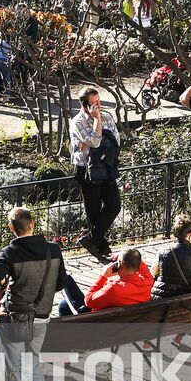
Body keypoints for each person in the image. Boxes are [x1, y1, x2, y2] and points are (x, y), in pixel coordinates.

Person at [0, 208, 66, 381]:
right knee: (33, 367)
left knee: (15, 372)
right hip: (41, 319)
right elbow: (60, 284)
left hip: (15, 321)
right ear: (32, 224)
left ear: (11, 228)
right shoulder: (53, 250)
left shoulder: (9, 254)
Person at [70, 88, 121, 263]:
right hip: (86, 168)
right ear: (84, 105)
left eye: (99, 102)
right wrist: (97, 121)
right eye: (94, 103)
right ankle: (102, 247)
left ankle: (91, 240)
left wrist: (94, 142)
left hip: (106, 166)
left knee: (114, 205)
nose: (98, 106)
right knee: (93, 209)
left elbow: (115, 140)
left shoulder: (107, 116)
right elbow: (95, 141)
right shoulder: (77, 122)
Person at [77, 249, 153, 313]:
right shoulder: (148, 279)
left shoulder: (114, 289)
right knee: (65, 304)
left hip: (100, 326)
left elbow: (88, 301)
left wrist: (103, 276)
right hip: (131, 325)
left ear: (121, 264)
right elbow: (138, 263)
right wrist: (123, 255)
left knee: (68, 281)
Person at [151, 217, 191, 299]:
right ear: (189, 235)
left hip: (159, 299)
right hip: (185, 302)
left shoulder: (162, 250)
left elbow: (153, 272)